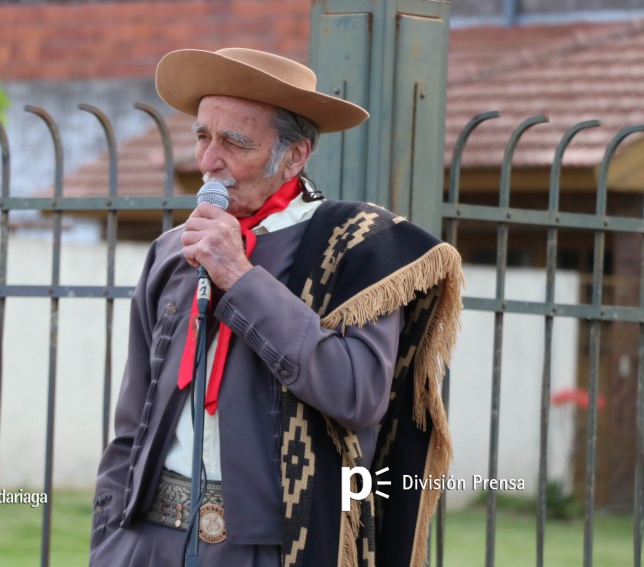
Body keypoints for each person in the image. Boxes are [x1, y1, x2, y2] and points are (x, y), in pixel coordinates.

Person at [89, 47, 463, 567]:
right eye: (203, 136)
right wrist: (109, 546)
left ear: (294, 155)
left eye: (233, 143)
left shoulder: (358, 251)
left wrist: (238, 278)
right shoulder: (171, 252)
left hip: (274, 550)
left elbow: (357, 395)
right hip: (147, 543)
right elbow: (133, 421)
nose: (208, 161)